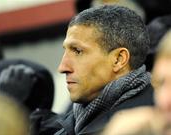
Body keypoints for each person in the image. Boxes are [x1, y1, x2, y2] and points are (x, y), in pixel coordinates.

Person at [52, 5, 154, 135]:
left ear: (118, 59)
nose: (62, 68)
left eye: (77, 51)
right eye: (65, 51)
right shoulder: (75, 121)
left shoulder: (157, 124)